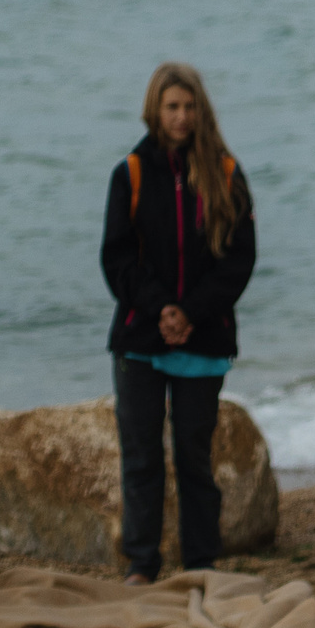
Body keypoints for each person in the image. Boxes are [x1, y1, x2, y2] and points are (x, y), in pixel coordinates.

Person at [101, 64, 254, 586]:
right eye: (172, 107)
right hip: (140, 340)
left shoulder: (228, 174)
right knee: (141, 458)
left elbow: (238, 261)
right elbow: (116, 260)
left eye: (189, 107)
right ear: (155, 110)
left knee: (194, 457)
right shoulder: (131, 174)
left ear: (201, 109)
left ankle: (201, 564)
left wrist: (191, 312)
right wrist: (161, 308)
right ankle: (142, 564)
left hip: (204, 338)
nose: (181, 117)